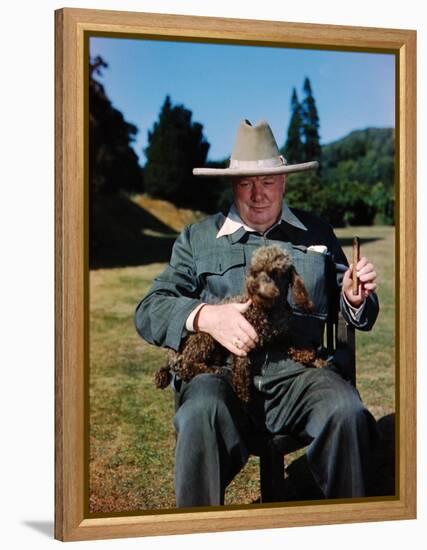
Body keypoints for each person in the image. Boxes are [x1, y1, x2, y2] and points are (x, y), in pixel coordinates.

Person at [134, 119, 379, 508]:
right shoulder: (196, 239)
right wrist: (206, 317)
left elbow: (355, 305)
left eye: (267, 182)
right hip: (221, 378)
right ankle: (196, 532)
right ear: (232, 184)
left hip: (301, 375)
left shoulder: (316, 232)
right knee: (200, 414)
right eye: (247, 183)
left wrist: (354, 297)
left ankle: (353, 526)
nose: (258, 194)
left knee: (346, 412)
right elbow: (149, 308)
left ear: (283, 181)